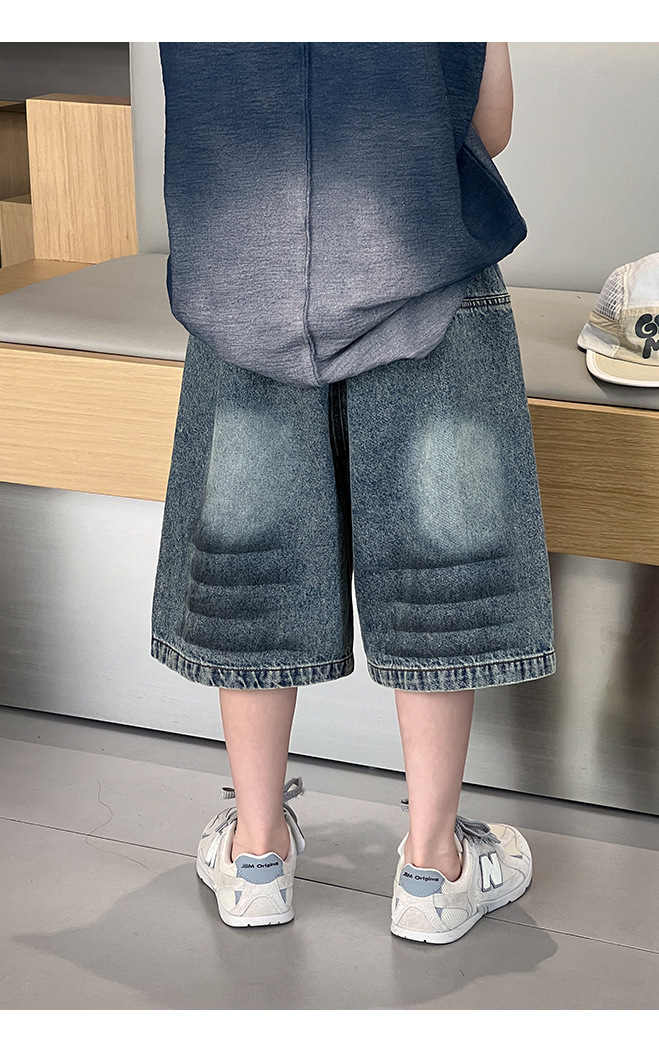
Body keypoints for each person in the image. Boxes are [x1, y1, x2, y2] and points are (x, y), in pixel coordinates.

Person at [151, 42, 556, 944]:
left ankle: (256, 855)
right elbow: (491, 124)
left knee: (252, 573)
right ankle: (433, 868)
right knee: (441, 578)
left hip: (244, 287)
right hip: (424, 277)